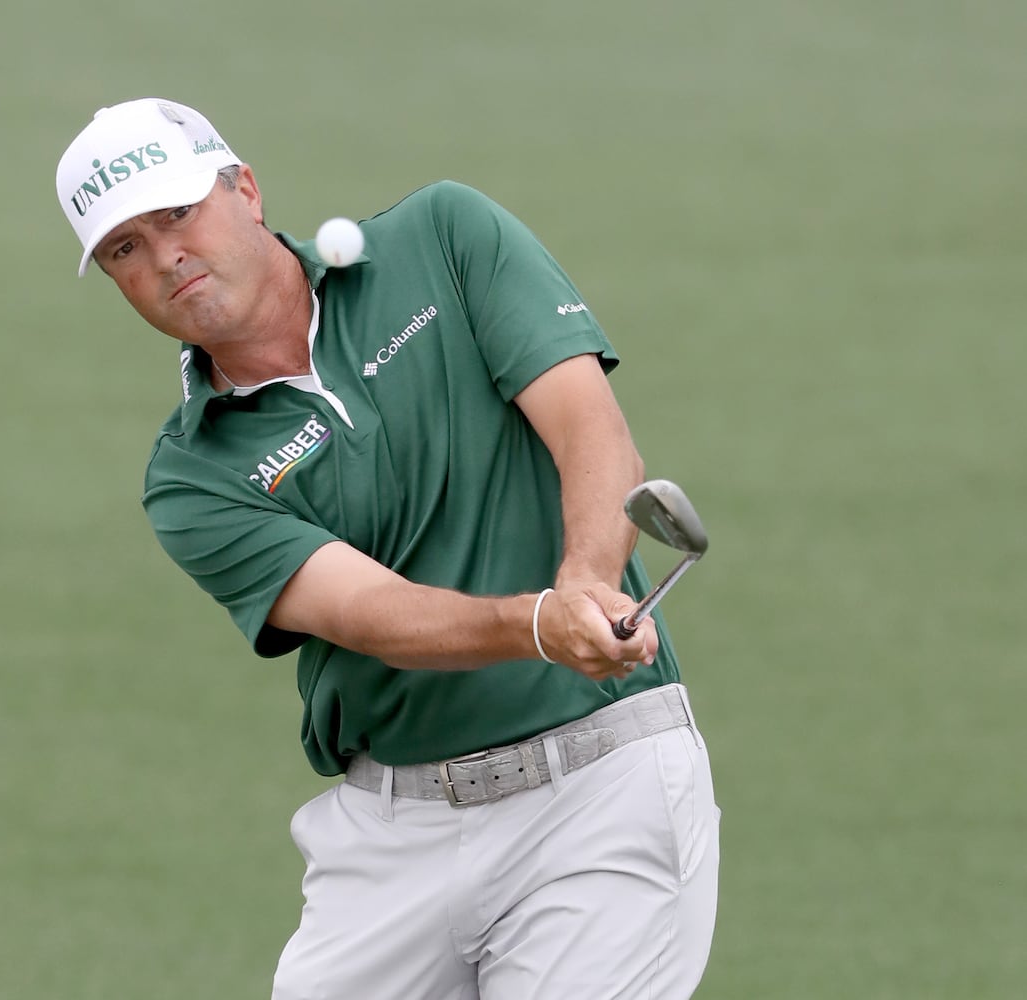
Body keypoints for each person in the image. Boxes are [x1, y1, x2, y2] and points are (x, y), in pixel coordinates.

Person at [55, 97, 721, 1000]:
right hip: (391, 833)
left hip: (599, 787)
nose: (164, 254)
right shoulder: (192, 478)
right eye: (124, 248)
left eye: (177, 213)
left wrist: (586, 583)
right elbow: (374, 615)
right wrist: (538, 622)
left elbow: (591, 431)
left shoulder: (443, 236)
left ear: (245, 189)